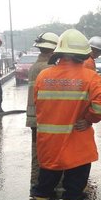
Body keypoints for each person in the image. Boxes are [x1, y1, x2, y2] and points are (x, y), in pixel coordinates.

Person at [30, 29, 101, 200]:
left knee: (43, 187)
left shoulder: (43, 76)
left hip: (49, 145)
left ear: (60, 52)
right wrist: (89, 118)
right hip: (76, 145)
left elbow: (38, 105)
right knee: (74, 189)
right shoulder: (89, 77)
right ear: (84, 54)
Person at [26, 32, 59, 187]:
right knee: (53, 152)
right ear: (53, 50)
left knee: (36, 152)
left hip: (33, 119)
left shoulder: (34, 67)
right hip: (47, 119)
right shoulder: (50, 69)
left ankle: (35, 184)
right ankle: (54, 186)